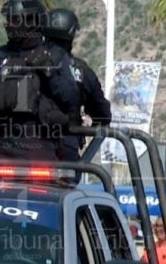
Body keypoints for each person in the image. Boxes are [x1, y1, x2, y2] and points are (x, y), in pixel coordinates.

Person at [0, 0, 80, 160]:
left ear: (31, 21)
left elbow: (71, 97)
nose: (9, 24)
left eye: (14, 20)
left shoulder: (54, 56)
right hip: (1, 146)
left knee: (42, 184)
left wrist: (48, 73)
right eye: (8, 20)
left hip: (40, 145)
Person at [41, 8, 113, 162]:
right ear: (71, 35)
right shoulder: (80, 70)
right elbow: (103, 113)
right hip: (63, 150)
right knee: (68, 181)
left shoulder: (23, 62)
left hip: (16, 149)